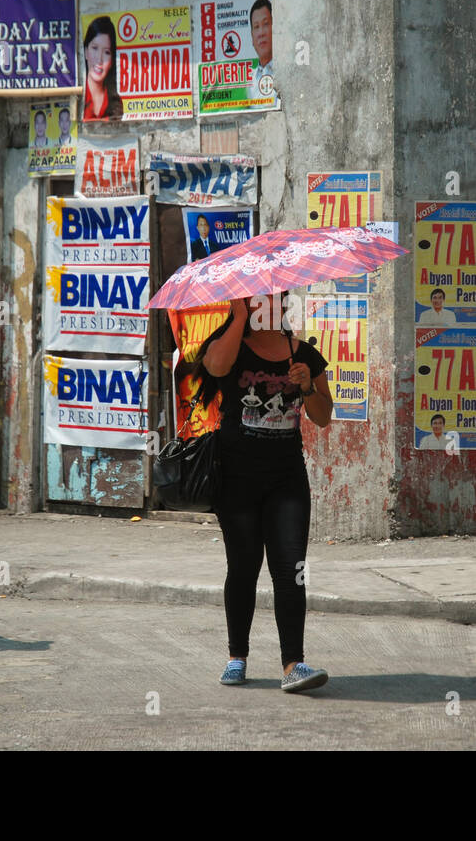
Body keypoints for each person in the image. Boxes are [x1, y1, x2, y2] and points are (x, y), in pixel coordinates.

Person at [193, 293, 333, 692]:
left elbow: (323, 417)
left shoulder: (304, 354)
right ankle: (237, 656)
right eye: (256, 300)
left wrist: (308, 386)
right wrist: (236, 317)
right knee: (243, 568)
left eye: (272, 298)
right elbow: (215, 366)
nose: (265, 305)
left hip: (286, 480)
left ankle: (294, 665)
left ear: (283, 304)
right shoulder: (230, 348)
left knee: (291, 571)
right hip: (236, 479)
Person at [81, 16, 123, 122]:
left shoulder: (116, 103)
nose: (99, 59)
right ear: (85, 52)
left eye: (106, 52)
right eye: (95, 48)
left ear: (112, 61)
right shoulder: (78, 96)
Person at [249, 0, 275, 100]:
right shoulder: (249, 82)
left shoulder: (286, 71)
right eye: (256, 27)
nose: (261, 33)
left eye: (266, 24)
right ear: (252, 36)